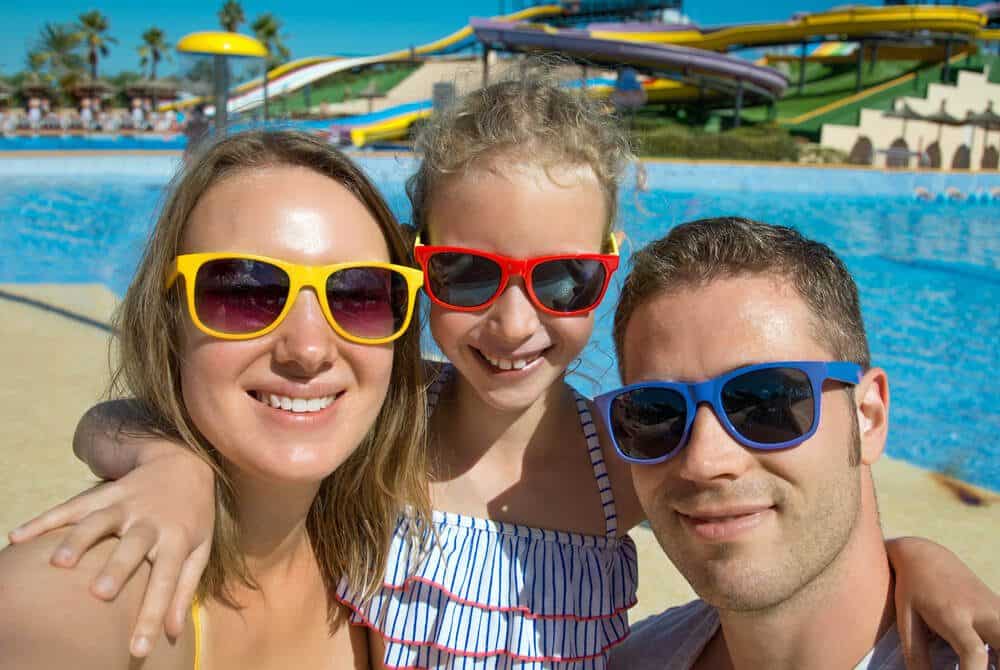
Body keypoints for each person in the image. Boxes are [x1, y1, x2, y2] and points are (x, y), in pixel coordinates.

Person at [9, 78, 1000, 668]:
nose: (514, 321)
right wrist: (166, 468)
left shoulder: (625, 453)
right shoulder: (378, 427)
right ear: (416, 262)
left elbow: (773, 516)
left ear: (604, 267)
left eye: (564, 280)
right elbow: (132, 415)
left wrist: (915, 556)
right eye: (468, 274)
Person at [0, 129, 431, 667]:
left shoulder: (380, 549)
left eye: (357, 294)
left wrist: (159, 451)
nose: (309, 348)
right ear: (169, 321)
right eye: (244, 292)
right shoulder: (77, 597)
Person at [600, 218, 999, 670]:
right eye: (656, 412)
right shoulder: (629, 659)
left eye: (765, 401)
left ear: (867, 417)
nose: (704, 460)